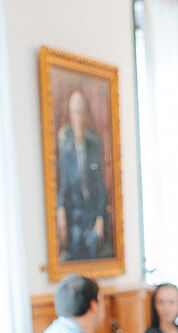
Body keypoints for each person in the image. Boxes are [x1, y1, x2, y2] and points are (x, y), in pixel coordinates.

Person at [56, 88, 110, 261]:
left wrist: (100, 219)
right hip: (76, 217)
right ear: (70, 116)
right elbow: (63, 188)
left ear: (85, 115)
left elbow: (100, 186)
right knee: (75, 245)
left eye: (80, 112)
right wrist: (60, 212)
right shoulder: (66, 150)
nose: (78, 118)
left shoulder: (93, 145)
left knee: (94, 245)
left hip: (93, 215)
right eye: (74, 112)